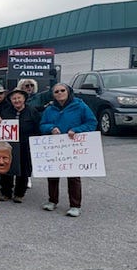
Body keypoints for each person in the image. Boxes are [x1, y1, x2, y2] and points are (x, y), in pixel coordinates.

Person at [40, 83, 97, 217]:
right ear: (53, 95)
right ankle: (52, 200)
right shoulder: (49, 109)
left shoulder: (80, 106)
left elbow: (92, 123)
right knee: (52, 174)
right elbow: (42, 125)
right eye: (56, 92)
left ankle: (75, 205)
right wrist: (51, 128)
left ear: (68, 92)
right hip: (55, 146)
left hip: (73, 146)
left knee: (73, 177)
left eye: (62, 90)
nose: (60, 93)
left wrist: (77, 130)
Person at [0, 88, 42, 203]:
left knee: (24, 169)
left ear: (24, 99)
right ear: (10, 100)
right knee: (6, 168)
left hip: (25, 145)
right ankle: (6, 192)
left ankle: (19, 193)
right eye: (14, 98)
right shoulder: (6, 111)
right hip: (8, 146)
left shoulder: (32, 111)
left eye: (19, 98)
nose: (17, 100)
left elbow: (38, 128)